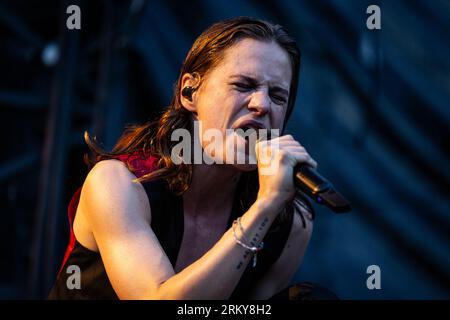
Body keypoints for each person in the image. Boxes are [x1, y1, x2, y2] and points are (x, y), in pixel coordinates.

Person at [48, 16, 331, 300]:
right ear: (189, 92)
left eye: (278, 96)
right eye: (244, 85)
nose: (262, 104)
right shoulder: (119, 183)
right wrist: (265, 207)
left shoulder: (290, 224)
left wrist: (268, 206)